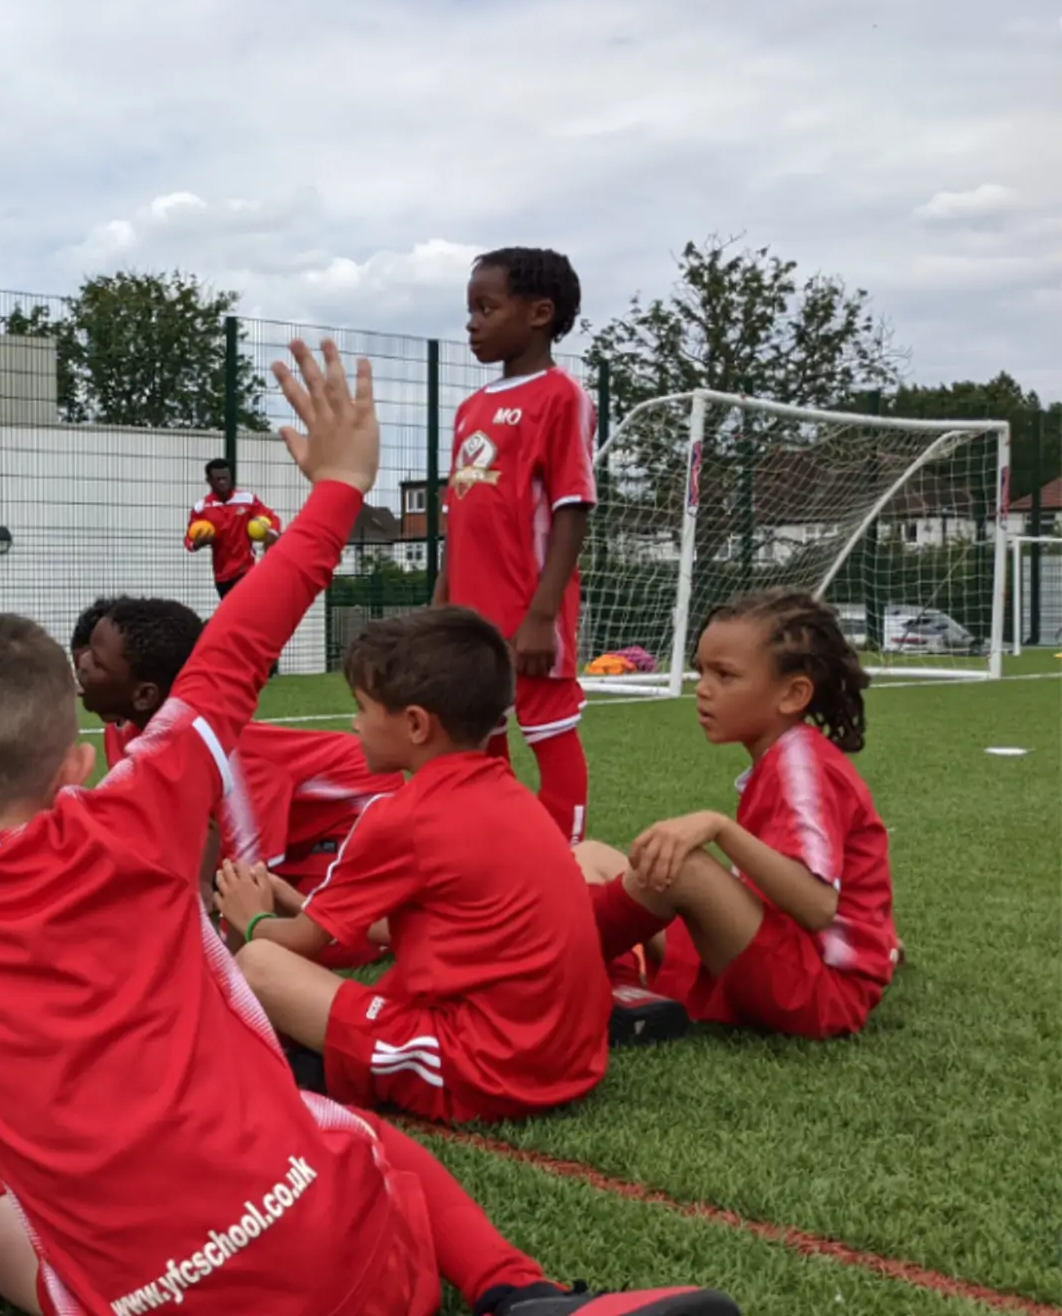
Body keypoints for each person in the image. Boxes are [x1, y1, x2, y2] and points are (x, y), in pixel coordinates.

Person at [0, 338, 735, 1316]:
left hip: (169, 1295)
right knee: (333, 1122)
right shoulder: (138, 812)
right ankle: (517, 1292)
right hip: (360, 1265)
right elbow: (237, 646)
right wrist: (337, 486)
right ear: (74, 764)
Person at [215, 606, 615, 1126]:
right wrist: (297, 900)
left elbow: (299, 944)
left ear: (416, 724)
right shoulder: (508, 793)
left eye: (362, 707)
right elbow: (435, 925)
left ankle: (342, 1065)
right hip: (570, 1058)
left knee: (259, 964)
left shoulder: (404, 816)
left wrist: (251, 917)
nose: (355, 723)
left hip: (490, 1072)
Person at [582, 590, 898, 1040]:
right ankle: (621, 987)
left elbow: (817, 907)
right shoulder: (782, 756)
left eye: (725, 675)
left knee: (685, 867)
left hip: (818, 990)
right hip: (777, 951)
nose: (702, 689)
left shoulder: (803, 766)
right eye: (702, 671)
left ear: (793, 694)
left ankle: (538, 955)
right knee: (593, 855)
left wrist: (719, 828)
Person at [68, 594, 401, 969]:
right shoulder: (124, 732)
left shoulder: (231, 764)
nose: (81, 666)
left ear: (143, 695)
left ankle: (385, 924)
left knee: (291, 942)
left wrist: (219, 959)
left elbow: (248, 880)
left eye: (96, 662)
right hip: (299, 835)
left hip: (356, 823)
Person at [434, 247, 595, 845]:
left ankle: (567, 863)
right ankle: (499, 852)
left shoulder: (561, 397)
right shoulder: (470, 409)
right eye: (470, 309)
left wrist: (542, 615)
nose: (472, 323)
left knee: (549, 734)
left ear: (539, 313)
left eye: (486, 308)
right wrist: (442, 606)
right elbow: (459, 517)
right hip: (470, 616)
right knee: (480, 738)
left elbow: (572, 507)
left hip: (528, 613)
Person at [186, 458, 281, 599]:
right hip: (222, 575)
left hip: (246, 569)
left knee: (248, 605)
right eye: (218, 479)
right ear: (209, 480)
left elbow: (272, 517)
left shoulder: (247, 499)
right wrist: (196, 544)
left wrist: (272, 533)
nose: (223, 482)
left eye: (226, 478)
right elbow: (188, 540)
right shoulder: (201, 508)